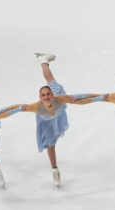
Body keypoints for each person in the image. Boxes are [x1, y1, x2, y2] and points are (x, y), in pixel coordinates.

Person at [13, 53, 94, 187]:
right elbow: (14, 108)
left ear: (52, 94)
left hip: (57, 108)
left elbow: (81, 98)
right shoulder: (36, 107)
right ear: (40, 97)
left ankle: (43, 61)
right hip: (46, 123)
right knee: (50, 144)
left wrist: (103, 96)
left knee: (51, 80)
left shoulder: (59, 97)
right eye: (43, 95)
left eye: (48, 94)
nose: (46, 97)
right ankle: (55, 170)